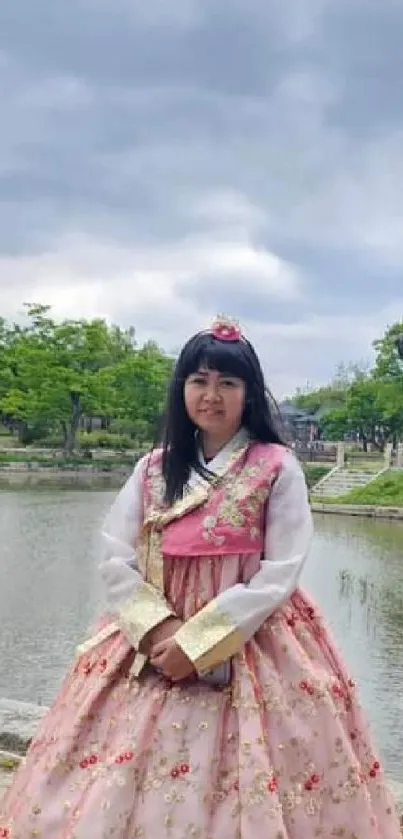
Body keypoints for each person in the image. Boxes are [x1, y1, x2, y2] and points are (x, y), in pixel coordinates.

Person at [0, 316, 400, 839]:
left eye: (227, 383)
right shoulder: (153, 467)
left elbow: (280, 571)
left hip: (250, 637)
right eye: (199, 381)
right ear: (182, 389)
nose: (212, 395)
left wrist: (201, 640)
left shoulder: (276, 467)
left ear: (249, 394)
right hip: (150, 636)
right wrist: (159, 628)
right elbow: (114, 555)